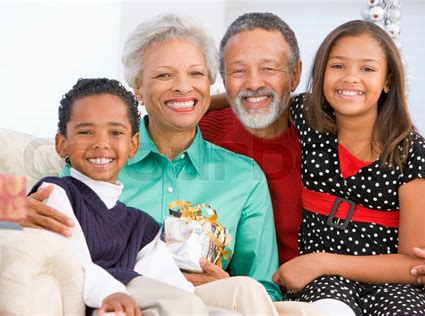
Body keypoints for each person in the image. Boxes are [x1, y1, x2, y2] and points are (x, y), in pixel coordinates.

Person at [23, 14, 282, 315]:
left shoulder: (245, 177)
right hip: (123, 295)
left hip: (208, 299)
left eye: (196, 74)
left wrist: (224, 281)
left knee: (245, 290)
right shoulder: (101, 162)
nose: (183, 87)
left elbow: (266, 291)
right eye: (163, 75)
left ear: (210, 85)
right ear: (138, 89)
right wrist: (14, 216)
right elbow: (64, 236)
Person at [272, 20, 425, 315]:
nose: (350, 78)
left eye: (367, 69)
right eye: (338, 66)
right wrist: (205, 100)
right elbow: (258, 99)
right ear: (321, 73)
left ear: (388, 81)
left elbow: (415, 262)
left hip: (392, 284)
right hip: (324, 283)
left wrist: (320, 260)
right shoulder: (307, 119)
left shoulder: (413, 153)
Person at [30, 78, 202, 315]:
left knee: (242, 292)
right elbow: (70, 259)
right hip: (102, 298)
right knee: (185, 305)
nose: (101, 143)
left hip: (139, 297)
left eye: (115, 132)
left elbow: (172, 284)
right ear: (62, 144)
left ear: (133, 145)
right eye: (86, 132)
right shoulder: (56, 193)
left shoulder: (140, 224)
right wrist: (109, 292)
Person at [199, 12, 303, 267]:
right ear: (223, 79)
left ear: (295, 74)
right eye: (238, 71)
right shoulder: (200, 131)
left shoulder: (322, 130)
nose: (254, 83)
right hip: (231, 290)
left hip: (314, 290)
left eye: (268, 68)